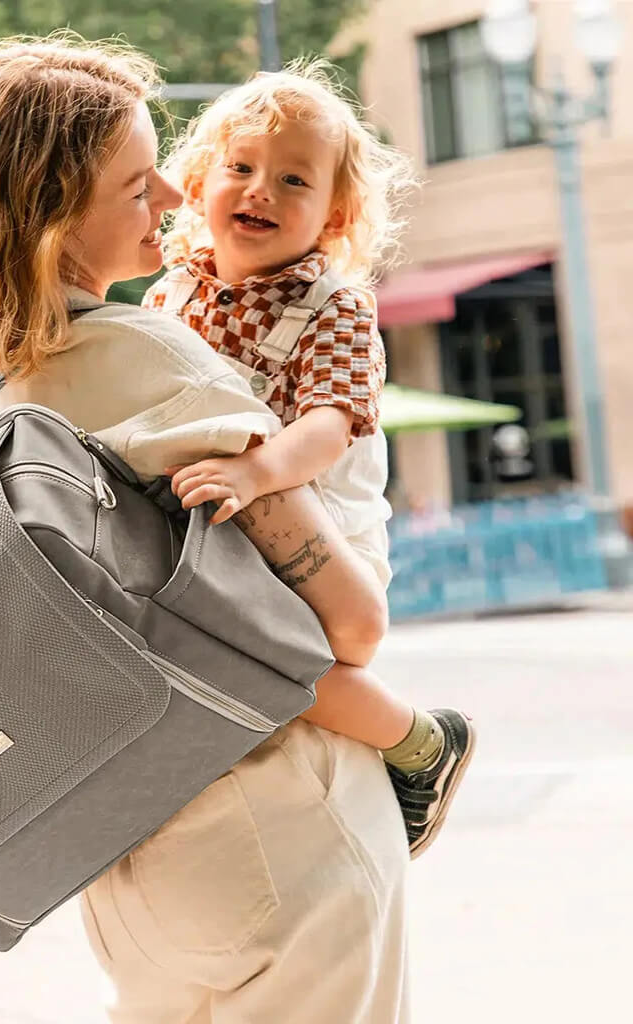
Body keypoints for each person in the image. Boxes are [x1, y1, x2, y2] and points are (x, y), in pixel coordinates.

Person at [0, 34, 409, 1023]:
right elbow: (353, 625)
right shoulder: (146, 360)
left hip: (123, 845)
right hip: (278, 828)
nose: (175, 202)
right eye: (138, 185)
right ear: (53, 210)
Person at [143, 62, 474, 857]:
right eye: (241, 168)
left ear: (334, 213)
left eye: (294, 179)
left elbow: (331, 423)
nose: (261, 190)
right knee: (208, 647)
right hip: (229, 524)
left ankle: (420, 743)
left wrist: (257, 471)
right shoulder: (170, 294)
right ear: (196, 180)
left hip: (326, 528)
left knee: (284, 657)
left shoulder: (334, 305)